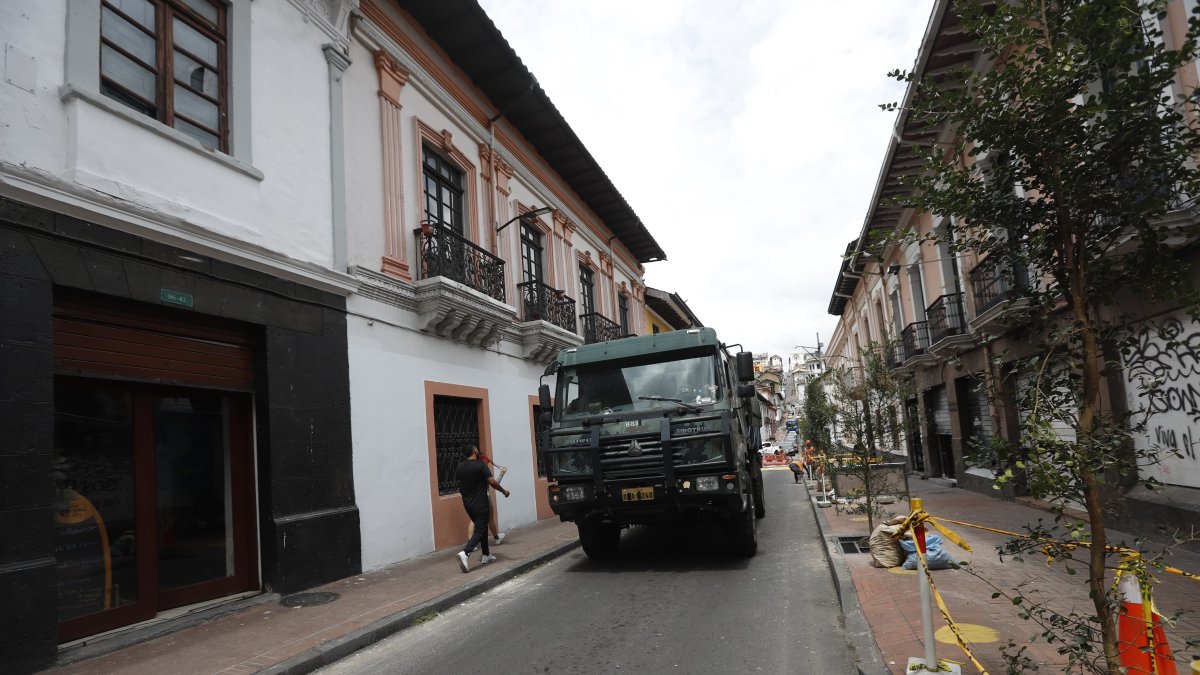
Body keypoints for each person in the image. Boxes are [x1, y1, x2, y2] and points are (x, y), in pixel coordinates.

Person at [456, 445, 509, 573]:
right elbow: (492, 482)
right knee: (480, 530)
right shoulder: (480, 465)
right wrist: (504, 491)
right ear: (474, 450)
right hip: (480, 503)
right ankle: (465, 553)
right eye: (476, 448)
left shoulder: (460, 467)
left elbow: (460, 485)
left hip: (467, 504)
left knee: (482, 526)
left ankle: (486, 555)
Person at [474, 448, 508, 545]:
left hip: (473, 499)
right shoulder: (483, 469)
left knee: (474, 521)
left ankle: (472, 543)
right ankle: (497, 538)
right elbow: (494, 483)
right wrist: (502, 474)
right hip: (484, 497)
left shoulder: (473, 469)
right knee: (490, 519)